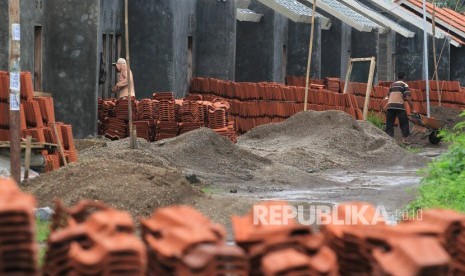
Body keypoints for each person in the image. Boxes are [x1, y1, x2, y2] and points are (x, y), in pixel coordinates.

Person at [385, 72, 416, 144]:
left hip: (390, 106)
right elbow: (408, 97)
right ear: (404, 77)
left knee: (389, 123)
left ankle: (390, 140)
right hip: (399, 106)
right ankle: (405, 140)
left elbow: (389, 96)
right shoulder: (404, 85)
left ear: (397, 77)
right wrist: (412, 108)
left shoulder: (392, 85)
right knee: (404, 123)